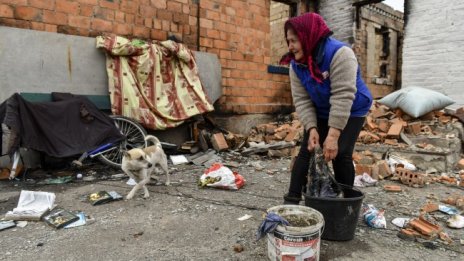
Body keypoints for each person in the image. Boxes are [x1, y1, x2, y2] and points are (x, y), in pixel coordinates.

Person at [282, 13, 373, 204]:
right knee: (307, 151)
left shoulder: (340, 54)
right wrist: (312, 128)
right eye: (287, 41)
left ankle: (347, 205)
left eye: (294, 40)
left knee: (341, 153)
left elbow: (343, 96)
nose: (289, 46)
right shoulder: (296, 65)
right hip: (321, 108)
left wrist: (332, 136)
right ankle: (291, 202)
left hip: (352, 108)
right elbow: (302, 100)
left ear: (308, 36)